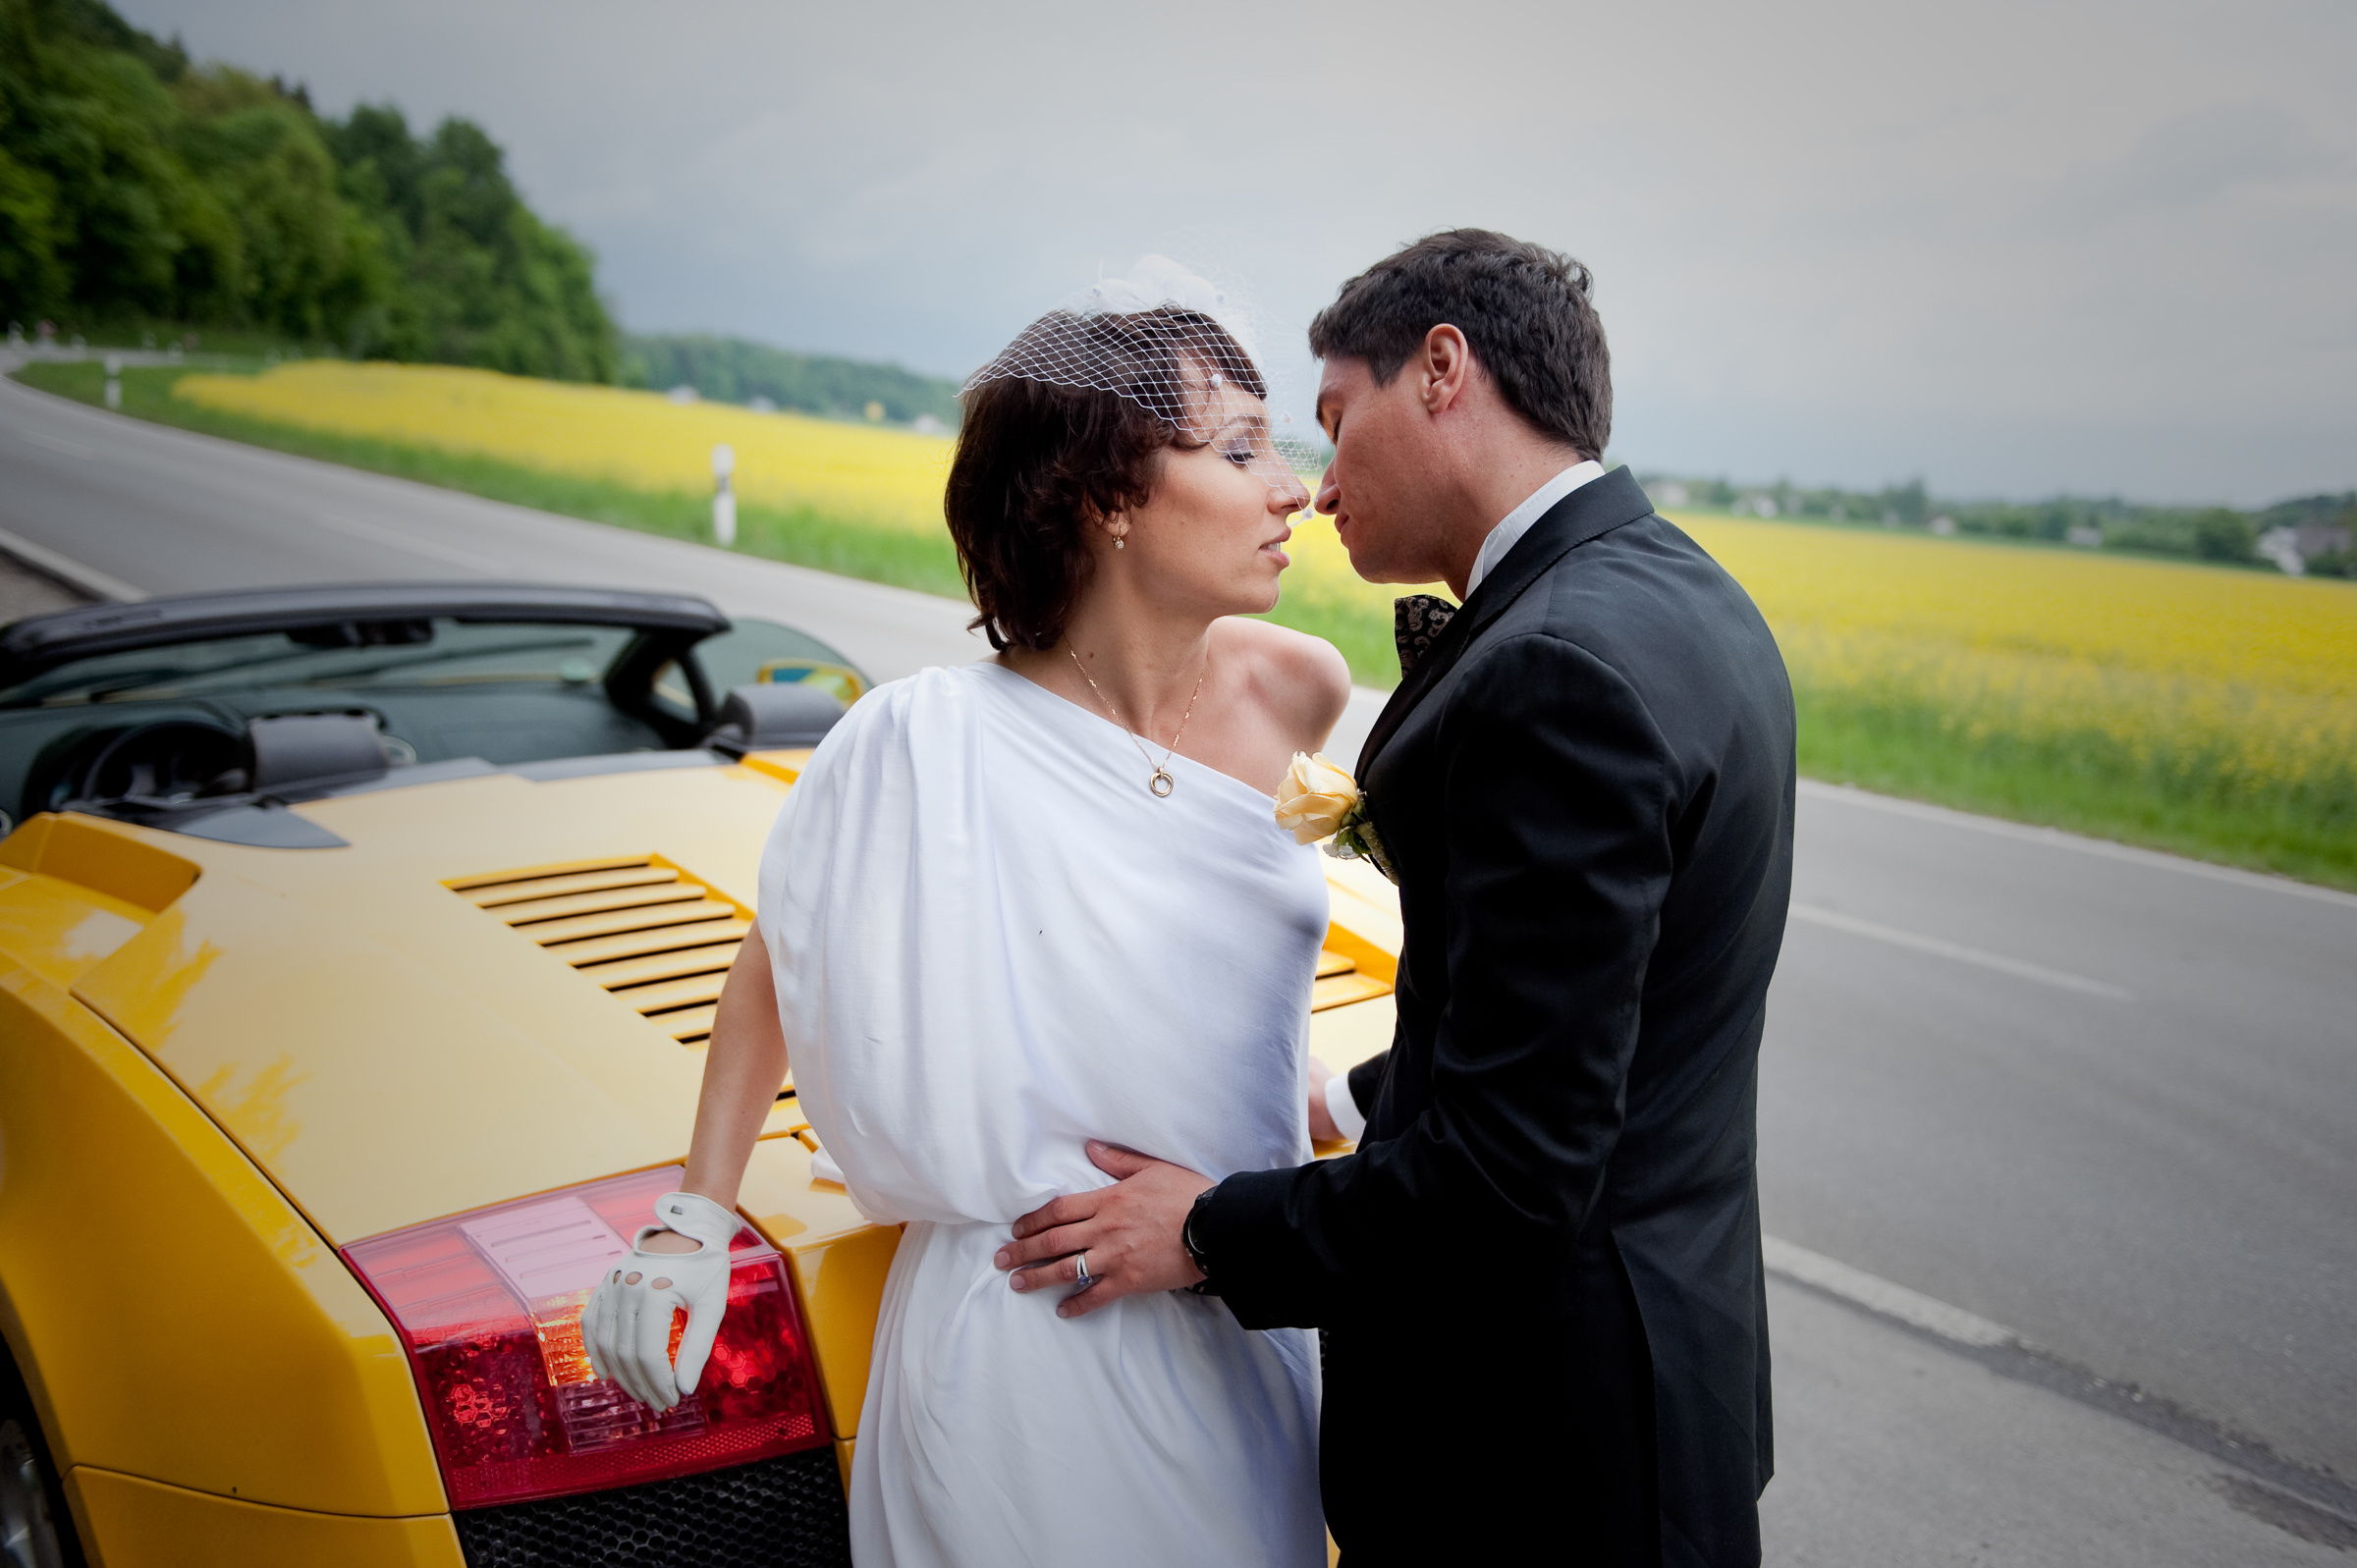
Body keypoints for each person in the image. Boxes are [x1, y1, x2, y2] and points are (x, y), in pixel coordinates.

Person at [995, 230, 1795, 1566]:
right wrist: (1366, 1095)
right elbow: (1604, 1016)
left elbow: (1507, 1180)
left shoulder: (1558, 675)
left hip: (1533, 1462)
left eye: (1328, 419)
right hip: (1659, 1397)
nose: (1310, 489)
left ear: (1440, 370)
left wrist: (1201, 1225)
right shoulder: (1686, 597)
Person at [583, 261, 1348, 1568]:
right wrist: (693, 1216)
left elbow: (1193, 956)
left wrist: (1295, 1070)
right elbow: (783, 961)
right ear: (1111, 495)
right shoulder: (918, 738)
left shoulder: (1297, 690)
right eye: (1239, 447)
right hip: (1024, 1335)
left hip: (1237, 1319)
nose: (1296, 487)